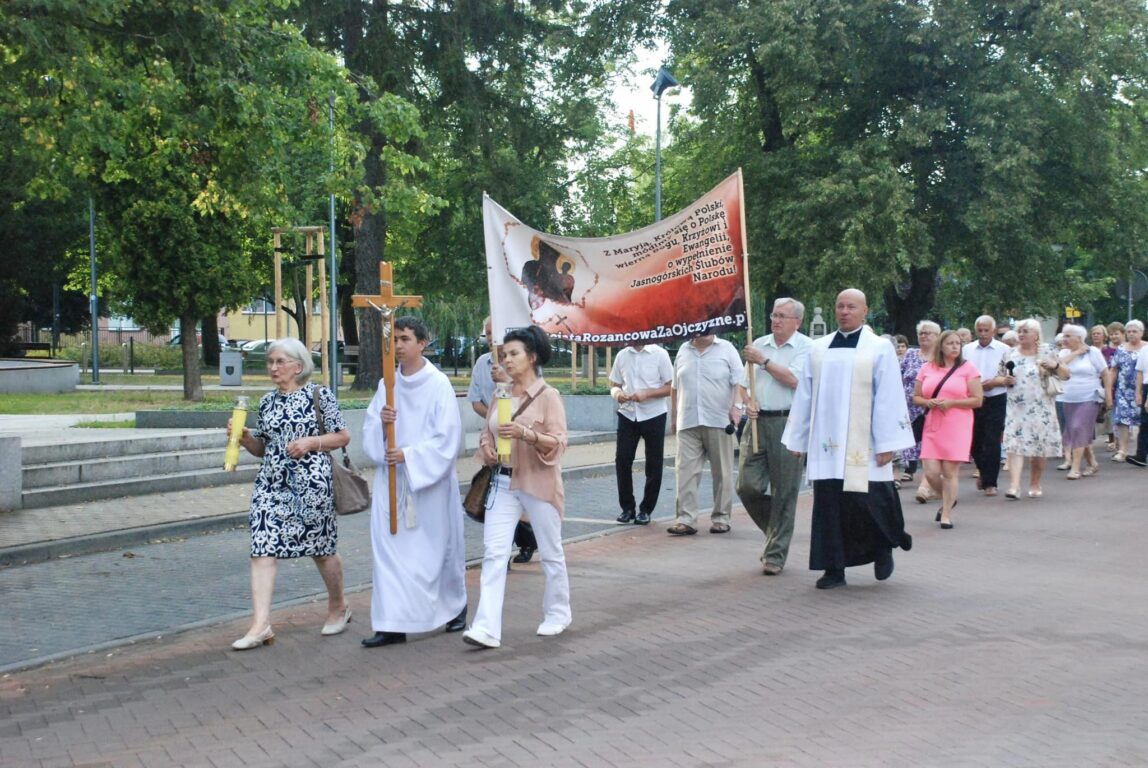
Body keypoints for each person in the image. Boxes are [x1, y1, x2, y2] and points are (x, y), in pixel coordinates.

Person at [781, 288, 915, 590]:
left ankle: (883, 548)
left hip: (865, 443)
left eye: (851, 306)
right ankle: (833, 568)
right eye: (840, 306)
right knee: (830, 507)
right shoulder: (819, 348)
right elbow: (805, 395)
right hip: (827, 444)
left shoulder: (879, 348)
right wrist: (798, 439)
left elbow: (890, 396)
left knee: (869, 503)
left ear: (864, 311)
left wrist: (887, 443)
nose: (844, 311)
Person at [229, 338, 351, 650]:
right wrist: (244, 438)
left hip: (311, 485)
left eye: (280, 361)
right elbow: (262, 447)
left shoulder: (319, 395)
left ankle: (338, 606)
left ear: (298, 366)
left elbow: (342, 435)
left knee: (321, 549)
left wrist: (311, 443)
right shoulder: (268, 402)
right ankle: (260, 625)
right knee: (261, 549)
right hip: (271, 484)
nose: (273, 368)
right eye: (270, 362)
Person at [360, 317, 468, 648]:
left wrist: (409, 455)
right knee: (389, 552)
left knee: (433, 552)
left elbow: (448, 437)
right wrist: (382, 424)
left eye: (405, 339)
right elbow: (369, 434)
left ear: (422, 343)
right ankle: (391, 623)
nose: (399, 345)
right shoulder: (386, 385)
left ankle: (453, 606)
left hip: (428, 484)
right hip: (391, 481)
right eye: (394, 340)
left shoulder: (437, 384)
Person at [463, 325, 571, 649]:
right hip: (503, 482)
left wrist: (528, 434)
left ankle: (558, 612)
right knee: (495, 553)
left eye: (514, 354)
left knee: (551, 552)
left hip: (539, 482)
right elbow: (486, 431)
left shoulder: (548, 396)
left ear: (532, 357)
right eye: (504, 354)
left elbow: (559, 443)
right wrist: (488, 449)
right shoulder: (501, 394)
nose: (506, 360)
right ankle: (486, 628)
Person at [736, 298, 811, 575]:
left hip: (788, 423)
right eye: (773, 315)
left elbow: (794, 380)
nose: (775, 320)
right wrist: (748, 401)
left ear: (797, 322)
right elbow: (744, 385)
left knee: (785, 490)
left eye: (782, 316)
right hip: (757, 422)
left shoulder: (806, 348)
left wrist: (764, 362)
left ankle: (775, 555)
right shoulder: (759, 343)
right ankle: (777, 528)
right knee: (747, 486)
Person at [468, 316, 537, 564]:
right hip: (493, 439)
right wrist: (492, 423)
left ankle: (528, 541)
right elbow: (476, 400)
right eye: (486, 334)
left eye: (493, 333)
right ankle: (502, 554)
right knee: (495, 498)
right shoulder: (481, 364)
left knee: (521, 497)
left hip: (519, 444)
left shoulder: (520, 366)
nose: (489, 339)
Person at [667, 332, 747, 536]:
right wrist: (674, 416)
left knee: (723, 472)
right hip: (689, 420)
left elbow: (740, 382)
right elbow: (675, 387)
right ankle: (686, 519)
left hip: (719, 419)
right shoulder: (684, 350)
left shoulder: (727, 349)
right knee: (685, 471)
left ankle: (721, 517)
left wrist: (737, 407)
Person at [915, 331, 984, 528]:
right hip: (933, 423)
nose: (955, 347)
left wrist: (952, 403)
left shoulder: (968, 369)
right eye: (950, 343)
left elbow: (977, 400)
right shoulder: (927, 368)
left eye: (958, 343)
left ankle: (946, 514)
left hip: (957, 423)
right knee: (931, 472)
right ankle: (947, 497)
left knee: (950, 471)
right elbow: (916, 397)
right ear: (941, 346)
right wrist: (929, 402)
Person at [999, 319, 1068, 498]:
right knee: (1015, 445)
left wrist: (1056, 365)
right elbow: (998, 377)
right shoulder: (1010, 354)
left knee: (1039, 447)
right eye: (1019, 331)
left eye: (1025, 331)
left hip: (1042, 407)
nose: (1021, 334)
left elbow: (1066, 374)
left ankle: (1035, 482)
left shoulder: (1048, 351)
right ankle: (1014, 486)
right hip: (1016, 408)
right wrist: (1004, 381)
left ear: (1036, 334)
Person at [608, 343, 673, 525]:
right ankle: (627, 508)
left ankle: (646, 509)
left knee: (653, 462)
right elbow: (614, 384)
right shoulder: (622, 354)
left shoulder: (660, 354)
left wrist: (648, 393)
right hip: (628, 412)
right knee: (622, 459)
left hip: (654, 413)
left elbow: (671, 387)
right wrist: (617, 394)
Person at [962, 315, 1009, 497]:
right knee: (973, 441)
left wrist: (996, 382)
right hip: (973, 398)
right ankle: (983, 471)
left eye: (986, 330)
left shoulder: (1004, 349)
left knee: (992, 440)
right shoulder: (967, 349)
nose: (982, 334)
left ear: (994, 331)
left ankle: (991, 482)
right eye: (979, 330)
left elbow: (1010, 376)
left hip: (995, 397)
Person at [1057, 324, 1106, 479]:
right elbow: (1057, 366)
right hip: (1069, 397)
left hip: (1089, 396)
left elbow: (1105, 373)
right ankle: (1092, 462)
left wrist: (1109, 397)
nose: (1064, 339)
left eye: (1068, 336)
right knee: (1074, 430)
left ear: (1079, 338)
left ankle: (1076, 467)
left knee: (1078, 428)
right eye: (1063, 335)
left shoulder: (1093, 352)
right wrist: (1077, 352)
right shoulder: (1064, 352)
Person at [899, 320, 940, 499]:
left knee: (929, 448)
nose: (923, 336)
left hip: (932, 408)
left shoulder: (942, 358)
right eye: (921, 333)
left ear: (937, 337)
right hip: (908, 408)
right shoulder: (911, 354)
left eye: (928, 333)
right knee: (909, 445)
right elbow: (898, 375)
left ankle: (925, 486)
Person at [1107, 321, 1139, 462]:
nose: (1131, 334)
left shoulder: (1146, 348)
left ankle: (1142, 451)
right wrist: (1108, 389)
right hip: (1123, 390)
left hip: (1143, 390)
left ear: (1141, 333)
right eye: (1129, 331)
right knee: (1122, 421)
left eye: (1135, 331)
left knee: (1144, 421)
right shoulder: (1121, 349)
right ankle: (1122, 450)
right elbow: (1113, 370)